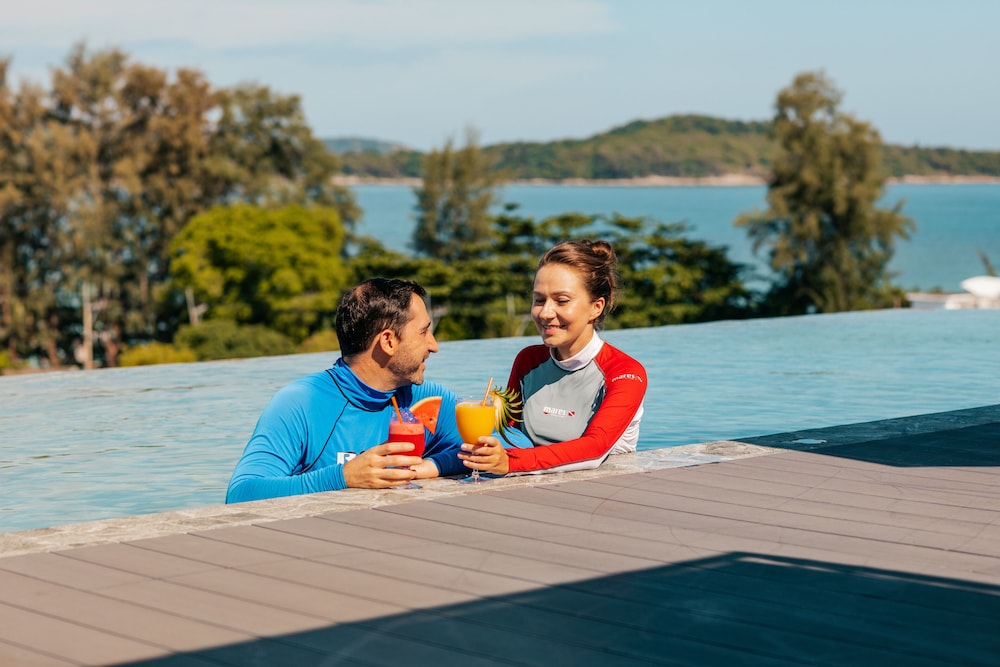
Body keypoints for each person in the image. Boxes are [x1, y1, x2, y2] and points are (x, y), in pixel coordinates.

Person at [226, 278, 466, 503]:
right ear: (388, 341)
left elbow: (479, 450)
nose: (434, 346)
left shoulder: (427, 400)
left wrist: (434, 466)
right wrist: (343, 477)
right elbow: (241, 494)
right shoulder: (301, 403)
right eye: (423, 332)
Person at [459, 239, 647, 475]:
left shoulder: (624, 372)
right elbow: (506, 433)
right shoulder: (528, 360)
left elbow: (596, 448)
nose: (545, 313)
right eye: (539, 300)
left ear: (596, 307)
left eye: (562, 301)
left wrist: (511, 462)